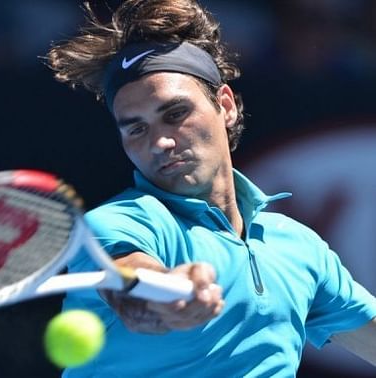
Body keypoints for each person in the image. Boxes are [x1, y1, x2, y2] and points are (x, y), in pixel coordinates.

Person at [46, 0, 376, 376]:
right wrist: (163, 294)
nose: (160, 143)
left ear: (226, 105)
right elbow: (129, 280)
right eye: (136, 128)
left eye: (175, 114)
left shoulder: (301, 249)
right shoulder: (118, 224)